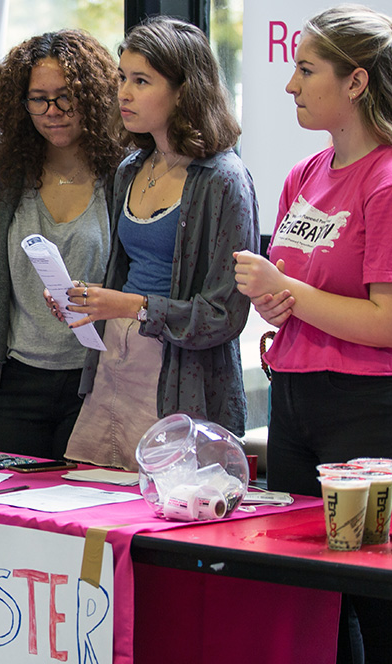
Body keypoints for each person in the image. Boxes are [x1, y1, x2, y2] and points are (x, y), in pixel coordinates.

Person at [233, 5, 392, 663]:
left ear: (356, 82)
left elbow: (390, 324)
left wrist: (294, 296)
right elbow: (301, 296)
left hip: (376, 409)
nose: (290, 85)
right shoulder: (304, 176)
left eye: (305, 70)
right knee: (319, 605)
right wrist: (276, 301)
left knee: (385, 606)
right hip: (300, 402)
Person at [55, 16, 258, 470]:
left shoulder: (224, 180)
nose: (123, 93)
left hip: (180, 379)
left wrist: (128, 306)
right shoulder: (129, 168)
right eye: (122, 78)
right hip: (114, 362)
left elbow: (224, 315)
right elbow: (123, 277)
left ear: (185, 90)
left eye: (141, 81)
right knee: (95, 507)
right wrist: (89, 304)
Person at [0, 29, 122, 459]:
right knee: (4, 520)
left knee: (81, 518)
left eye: (66, 96)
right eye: (38, 98)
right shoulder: (0, 176)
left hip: (97, 384)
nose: (52, 111)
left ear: (93, 95)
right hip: (14, 385)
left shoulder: (123, 175)